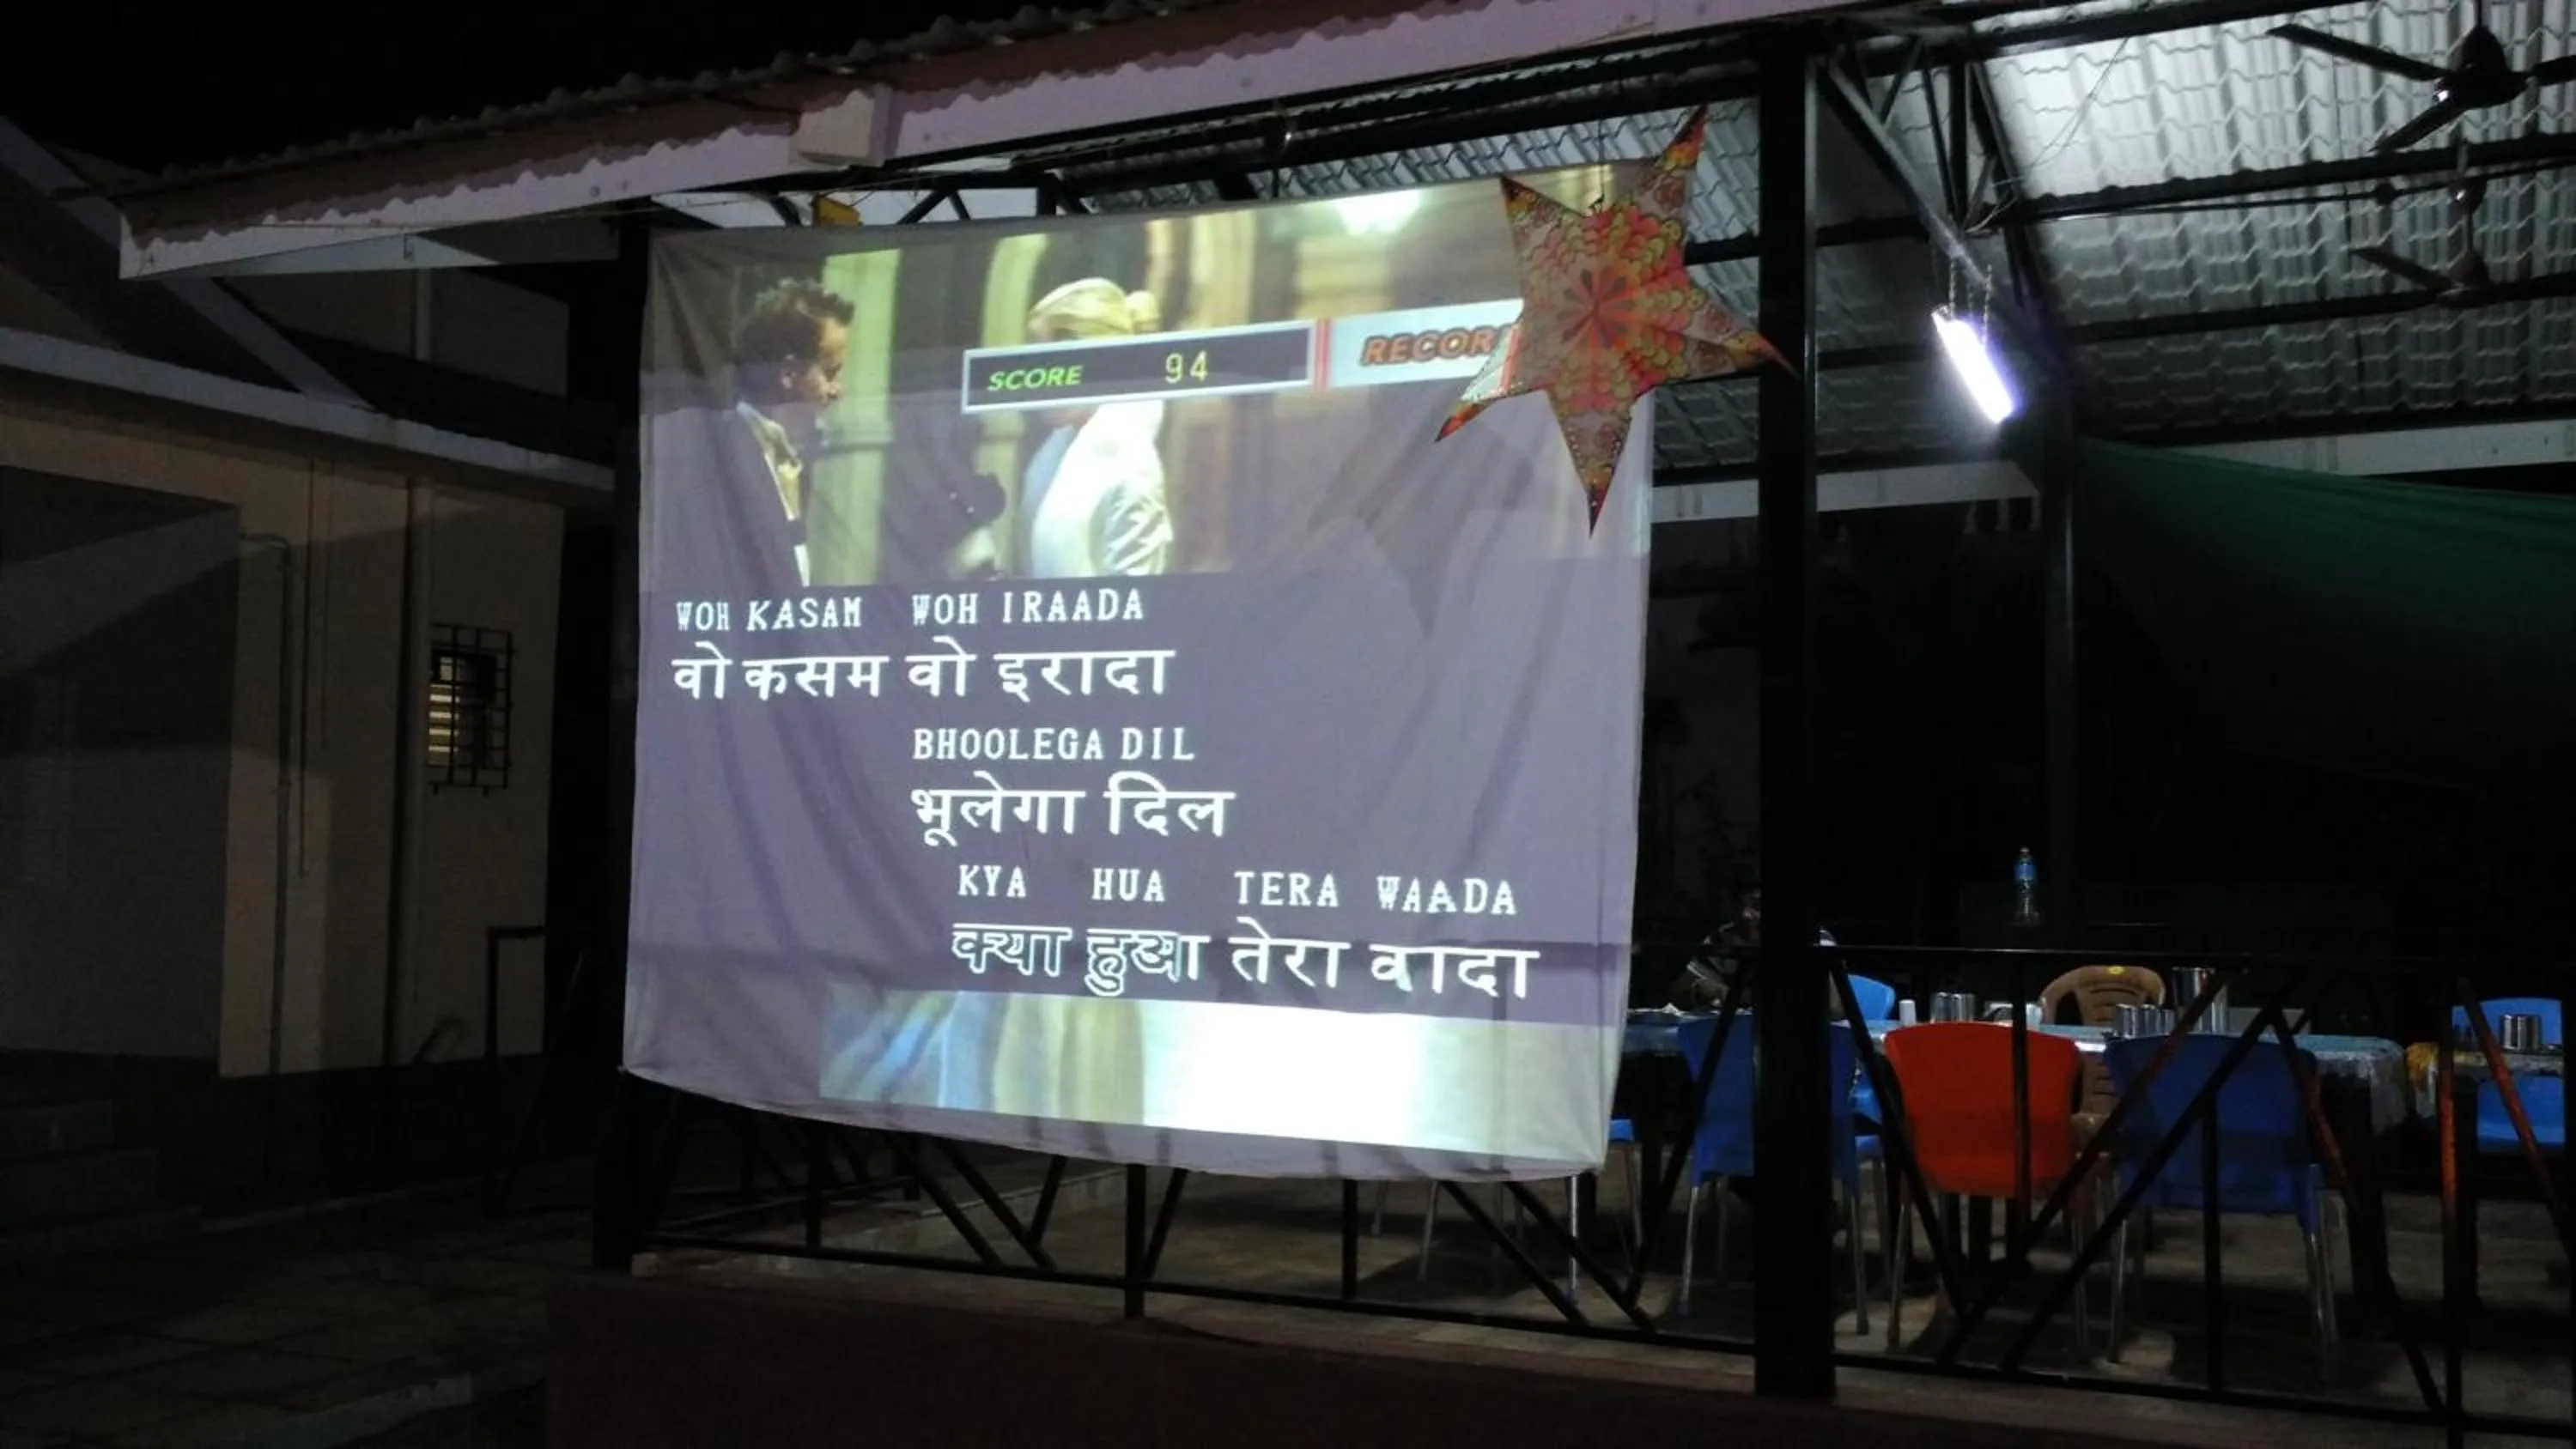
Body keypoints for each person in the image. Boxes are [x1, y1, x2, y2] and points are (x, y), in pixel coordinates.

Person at [1017, 279, 1174, 578]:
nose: (1036, 380)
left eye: (1051, 363)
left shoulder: (1132, 468)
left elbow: (1132, 609)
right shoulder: (1049, 460)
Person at [720, 278, 853, 593]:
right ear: (789, 373)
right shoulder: (717, 458)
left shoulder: (794, 461)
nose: (838, 391)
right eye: (830, 372)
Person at [1667, 887, 1838, 1011]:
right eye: (1739, 905)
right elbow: (1678, 994)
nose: (1745, 915)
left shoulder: (1813, 938)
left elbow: (1832, 1007)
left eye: (1757, 906)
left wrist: (1734, 996)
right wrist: (1701, 989)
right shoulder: (1724, 938)